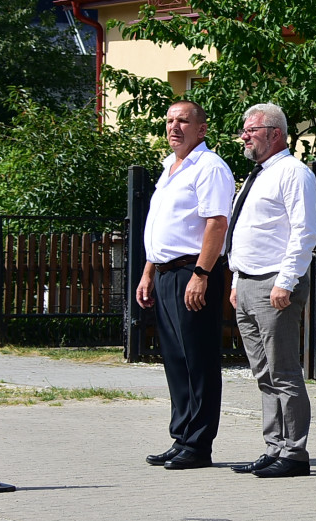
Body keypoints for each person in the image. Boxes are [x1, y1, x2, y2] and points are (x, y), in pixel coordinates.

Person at [138, 101, 233, 471]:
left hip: (192, 274)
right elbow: (162, 227)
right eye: (170, 121)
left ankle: (198, 444)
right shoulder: (169, 168)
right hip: (164, 272)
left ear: (201, 129)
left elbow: (216, 224)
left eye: (183, 121)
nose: (174, 127)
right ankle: (181, 437)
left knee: (199, 359)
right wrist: (148, 271)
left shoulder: (209, 168)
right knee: (176, 360)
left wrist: (201, 274)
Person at [226, 103, 316, 478]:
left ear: (275, 133)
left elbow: (303, 231)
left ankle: (295, 452)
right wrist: (236, 281)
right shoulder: (259, 175)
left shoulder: (293, 173)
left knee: (283, 372)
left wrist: (286, 281)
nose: (244, 136)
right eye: (244, 130)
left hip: (274, 283)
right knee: (262, 373)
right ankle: (274, 445)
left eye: (252, 129)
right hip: (248, 282)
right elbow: (246, 233)